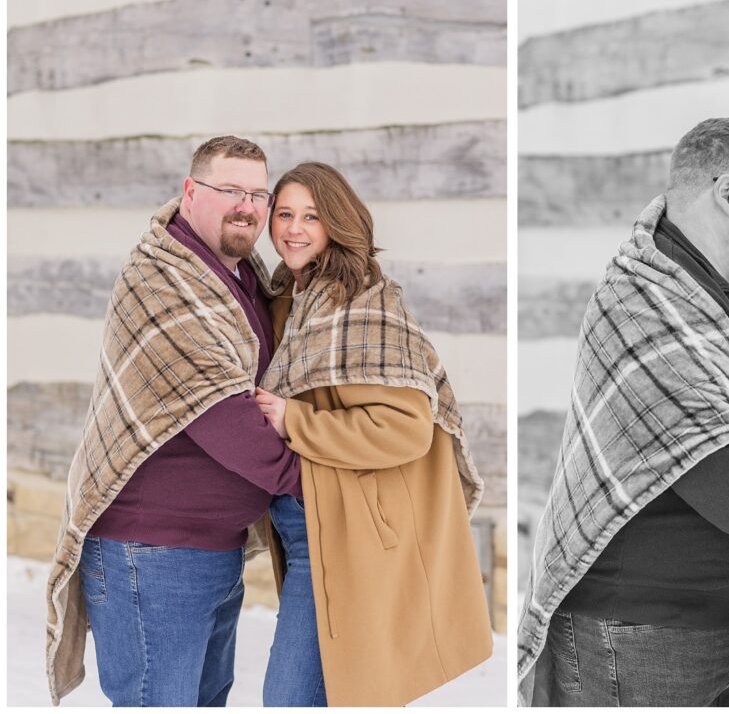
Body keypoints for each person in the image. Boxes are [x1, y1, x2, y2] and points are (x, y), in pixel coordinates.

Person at [518, 118, 729, 706]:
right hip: (635, 636)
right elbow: (728, 476)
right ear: (728, 192)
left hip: (711, 625)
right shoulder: (646, 304)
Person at [45, 137, 304, 706]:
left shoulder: (237, 275)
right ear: (190, 193)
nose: (247, 206)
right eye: (230, 190)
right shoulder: (163, 280)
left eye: (258, 193)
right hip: (151, 556)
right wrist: (321, 478)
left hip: (212, 549)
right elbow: (227, 419)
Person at [252, 162, 493, 706]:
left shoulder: (364, 301)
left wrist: (295, 420)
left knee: (293, 699)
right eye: (284, 214)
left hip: (346, 532)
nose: (293, 228)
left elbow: (405, 430)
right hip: (302, 524)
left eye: (311, 216)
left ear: (338, 222)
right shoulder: (287, 297)